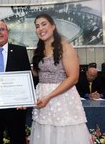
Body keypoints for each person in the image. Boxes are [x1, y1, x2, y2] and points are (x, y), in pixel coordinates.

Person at [30, 13, 91, 144]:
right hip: (42, 97)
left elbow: (73, 78)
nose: (40, 28)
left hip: (61, 97)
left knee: (64, 134)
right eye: (37, 26)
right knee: (46, 133)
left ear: (53, 26)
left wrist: (49, 96)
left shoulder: (65, 47)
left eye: (44, 24)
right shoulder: (38, 50)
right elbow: (37, 73)